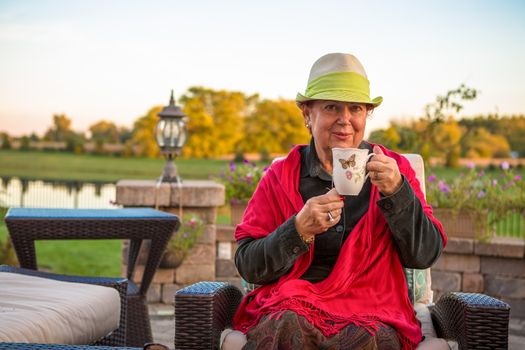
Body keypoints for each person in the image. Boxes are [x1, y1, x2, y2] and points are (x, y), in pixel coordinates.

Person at [232, 53, 446, 350]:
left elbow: (424, 255)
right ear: (308, 114)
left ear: (365, 116)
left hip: (373, 308)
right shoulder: (281, 176)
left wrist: (397, 193)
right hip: (295, 304)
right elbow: (248, 264)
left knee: (368, 338)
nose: (345, 120)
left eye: (356, 108)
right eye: (331, 107)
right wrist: (298, 229)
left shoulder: (395, 171)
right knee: (289, 324)